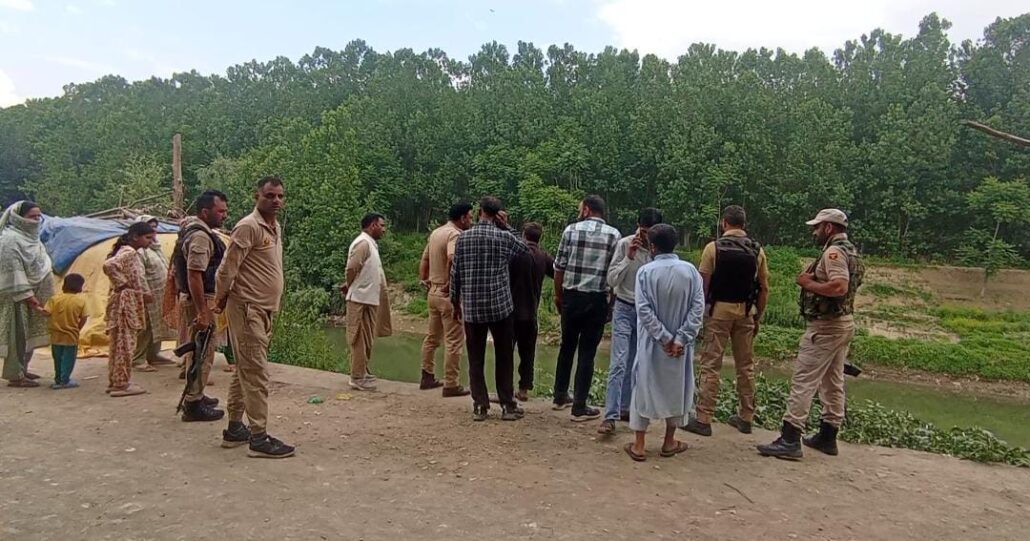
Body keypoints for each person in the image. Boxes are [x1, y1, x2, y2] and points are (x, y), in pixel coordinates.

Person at [758, 209, 864, 459]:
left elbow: (839, 286)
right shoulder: (852, 251)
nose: (814, 232)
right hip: (843, 323)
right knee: (833, 381)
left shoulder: (833, 253)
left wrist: (808, 283)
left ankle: (790, 438)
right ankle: (828, 435)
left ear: (829, 228)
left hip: (826, 326)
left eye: (817, 227)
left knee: (804, 380)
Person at [214, 176, 293, 458]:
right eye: (269, 195)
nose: (276, 201)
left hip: (263, 309)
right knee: (257, 372)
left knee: (245, 369)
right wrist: (220, 299)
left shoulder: (274, 226)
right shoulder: (248, 226)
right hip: (248, 308)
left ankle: (235, 427)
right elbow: (227, 268)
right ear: (256, 196)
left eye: (280, 196)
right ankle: (259, 437)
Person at [683, 205, 769, 437]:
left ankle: (704, 418)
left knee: (711, 365)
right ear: (744, 224)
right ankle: (746, 416)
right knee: (746, 366)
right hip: (746, 312)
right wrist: (757, 316)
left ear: (724, 223)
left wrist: (700, 314)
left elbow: (703, 286)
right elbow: (764, 288)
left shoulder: (713, 248)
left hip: (718, 312)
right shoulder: (757, 250)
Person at [623, 224, 704, 462]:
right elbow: (697, 309)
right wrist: (680, 338)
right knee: (678, 388)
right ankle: (669, 441)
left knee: (642, 387)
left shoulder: (645, 273)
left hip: (652, 344)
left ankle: (639, 444)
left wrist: (664, 337)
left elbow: (644, 310)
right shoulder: (690, 272)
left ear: (652, 246)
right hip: (679, 348)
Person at [450, 196, 528, 422]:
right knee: (504, 357)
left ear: (479, 211)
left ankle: (480, 406)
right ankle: (507, 405)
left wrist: (455, 302)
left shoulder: (463, 238)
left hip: (473, 308)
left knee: (475, 359)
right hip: (500, 307)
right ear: (497, 215)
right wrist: (507, 227)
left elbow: (456, 273)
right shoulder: (504, 237)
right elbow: (525, 250)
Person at [552, 195, 620, 421]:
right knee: (587, 353)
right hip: (597, 299)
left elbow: (559, 267)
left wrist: (558, 295)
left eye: (580, 208)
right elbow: (614, 275)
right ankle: (579, 406)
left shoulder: (570, 230)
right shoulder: (614, 235)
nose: (579, 211)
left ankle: (559, 395)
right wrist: (611, 304)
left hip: (572, 297)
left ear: (587, 209)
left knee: (566, 346)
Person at [598, 208, 663, 435]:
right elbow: (611, 279)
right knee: (618, 362)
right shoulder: (625, 244)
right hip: (624, 307)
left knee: (637, 363)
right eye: (643, 231)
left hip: (646, 313)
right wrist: (629, 257)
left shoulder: (659, 251)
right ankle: (610, 415)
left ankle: (626, 407)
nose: (646, 237)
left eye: (650, 233)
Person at [171, 191, 229, 422]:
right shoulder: (200, 237)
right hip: (201, 299)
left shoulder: (193, 230)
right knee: (202, 351)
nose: (224, 215)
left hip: (199, 298)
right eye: (220, 211)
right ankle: (193, 403)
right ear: (205, 212)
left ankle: (197, 394)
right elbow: (194, 274)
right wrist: (203, 311)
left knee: (200, 350)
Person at [418, 202, 472, 396]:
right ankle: (451, 384)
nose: (471, 221)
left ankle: (427, 375)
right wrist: (450, 284)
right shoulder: (455, 235)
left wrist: (424, 278)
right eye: (470, 217)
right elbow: (452, 258)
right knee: (454, 341)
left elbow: (425, 259)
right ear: (462, 218)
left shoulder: (436, 233)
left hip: (433, 292)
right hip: (447, 295)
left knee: (432, 338)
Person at [0, 201, 54, 388]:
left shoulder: (32, 238)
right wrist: (29, 296)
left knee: (28, 334)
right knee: (18, 335)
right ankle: (15, 375)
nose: (36, 220)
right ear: (18, 218)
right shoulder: (10, 240)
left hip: (34, 294)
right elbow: (12, 271)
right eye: (32, 216)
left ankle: (23, 368)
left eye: (39, 216)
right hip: (17, 296)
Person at [103, 222, 157, 397]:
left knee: (119, 343)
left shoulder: (129, 252)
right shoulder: (129, 252)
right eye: (148, 238)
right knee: (125, 344)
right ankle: (121, 384)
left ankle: (116, 380)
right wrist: (123, 285)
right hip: (125, 304)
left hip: (126, 301)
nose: (151, 241)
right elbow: (109, 265)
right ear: (135, 237)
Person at [342, 212, 393, 392]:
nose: (384, 229)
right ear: (372, 225)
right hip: (359, 299)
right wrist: (350, 285)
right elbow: (351, 268)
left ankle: (363, 371)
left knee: (368, 338)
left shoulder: (371, 244)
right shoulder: (363, 243)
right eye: (382, 225)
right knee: (358, 338)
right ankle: (357, 377)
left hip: (369, 299)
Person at [509, 222, 554, 402]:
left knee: (506, 352)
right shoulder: (543, 257)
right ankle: (523, 389)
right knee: (528, 354)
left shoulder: (514, 254)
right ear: (539, 238)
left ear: (523, 235)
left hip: (510, 311)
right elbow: (558, 272)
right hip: (531, 312)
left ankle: (506, 389)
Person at [132, 216, 176, 372]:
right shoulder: (139, 251)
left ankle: (153, 355)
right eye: (150, 226)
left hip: (160, 295)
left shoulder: (155, 247)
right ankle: (138, 358)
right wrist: (144, 292)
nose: (154, 230)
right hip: (147, 295)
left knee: (157, 326)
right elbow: (139, 274)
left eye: (155, 226)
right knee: (145, 327)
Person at [43, 273, 87, 389]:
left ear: (64, 285)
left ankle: (58, 379)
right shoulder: (81, 301)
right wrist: (78, 328)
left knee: (57, 358)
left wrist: (36, 307)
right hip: (71, 336)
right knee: (68, 359)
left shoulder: (54, 299)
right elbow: (84, 318)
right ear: (80, 287)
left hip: (55, 335)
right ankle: (65, 380)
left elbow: (46, 312)